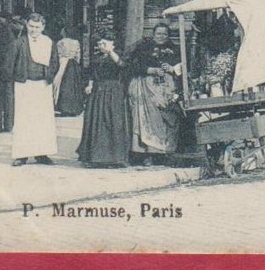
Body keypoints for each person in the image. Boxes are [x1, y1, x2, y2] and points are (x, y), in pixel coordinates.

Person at [125, 22, 182, 164]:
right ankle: (147, 154)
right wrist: (149, 70)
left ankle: (164, 153)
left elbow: (184, 66)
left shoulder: (176, 49)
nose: (161, 37)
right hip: (146, 88)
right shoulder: (143, 48)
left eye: (164, 34)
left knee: (167, 118)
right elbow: (132, 65)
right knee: (147, 120)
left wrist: (172, 68)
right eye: (158, 34)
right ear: (153, 35)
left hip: (167, 89)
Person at [9, 12, 60, 166]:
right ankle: (22, 155)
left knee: (43, 120)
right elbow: (9, 64)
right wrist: (16, 78)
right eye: (31, 26)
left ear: (43, 27)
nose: (34, 30)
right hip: (25, 85)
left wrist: (48, 75)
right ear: (27, 25)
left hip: (43, 86)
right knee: (24, 120)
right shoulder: (19, 42)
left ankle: (42, 154)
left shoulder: (49, 42)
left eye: (37, 27)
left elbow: (54, 62)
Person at [77, 32, 130, 168]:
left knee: (113, 122)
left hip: (113, 91)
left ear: (113, 43)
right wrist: (89, 84)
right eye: (100, 44)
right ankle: (94, 157)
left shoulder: (119, 54)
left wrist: (111, 52)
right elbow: (91, 73)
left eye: (104, 43)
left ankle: (114, 158)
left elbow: (122, 65)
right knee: (95, 121)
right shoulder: (97, 58)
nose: (101, 46)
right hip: (98, 92)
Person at [54, 27, 86, 116]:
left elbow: (58, 54)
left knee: (62, 84)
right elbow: (78, 55)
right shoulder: (76, 42)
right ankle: (74, 108)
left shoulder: (61, 42)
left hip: (63, 62)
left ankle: (64, 107)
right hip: (73, 64)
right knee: (74, 85)